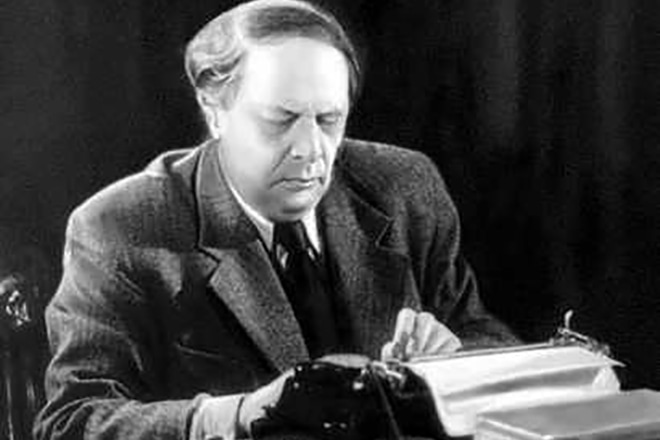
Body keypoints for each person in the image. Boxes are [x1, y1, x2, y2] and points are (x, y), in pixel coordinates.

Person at [34, 1, 518, 439]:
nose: (310, 151)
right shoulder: (120, 228)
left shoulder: (404, 187)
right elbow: (71, 422)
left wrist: (449, 365)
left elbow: (489, 342)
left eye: (329, 120)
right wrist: (239, 415)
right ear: (214, 111)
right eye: (279, 121)